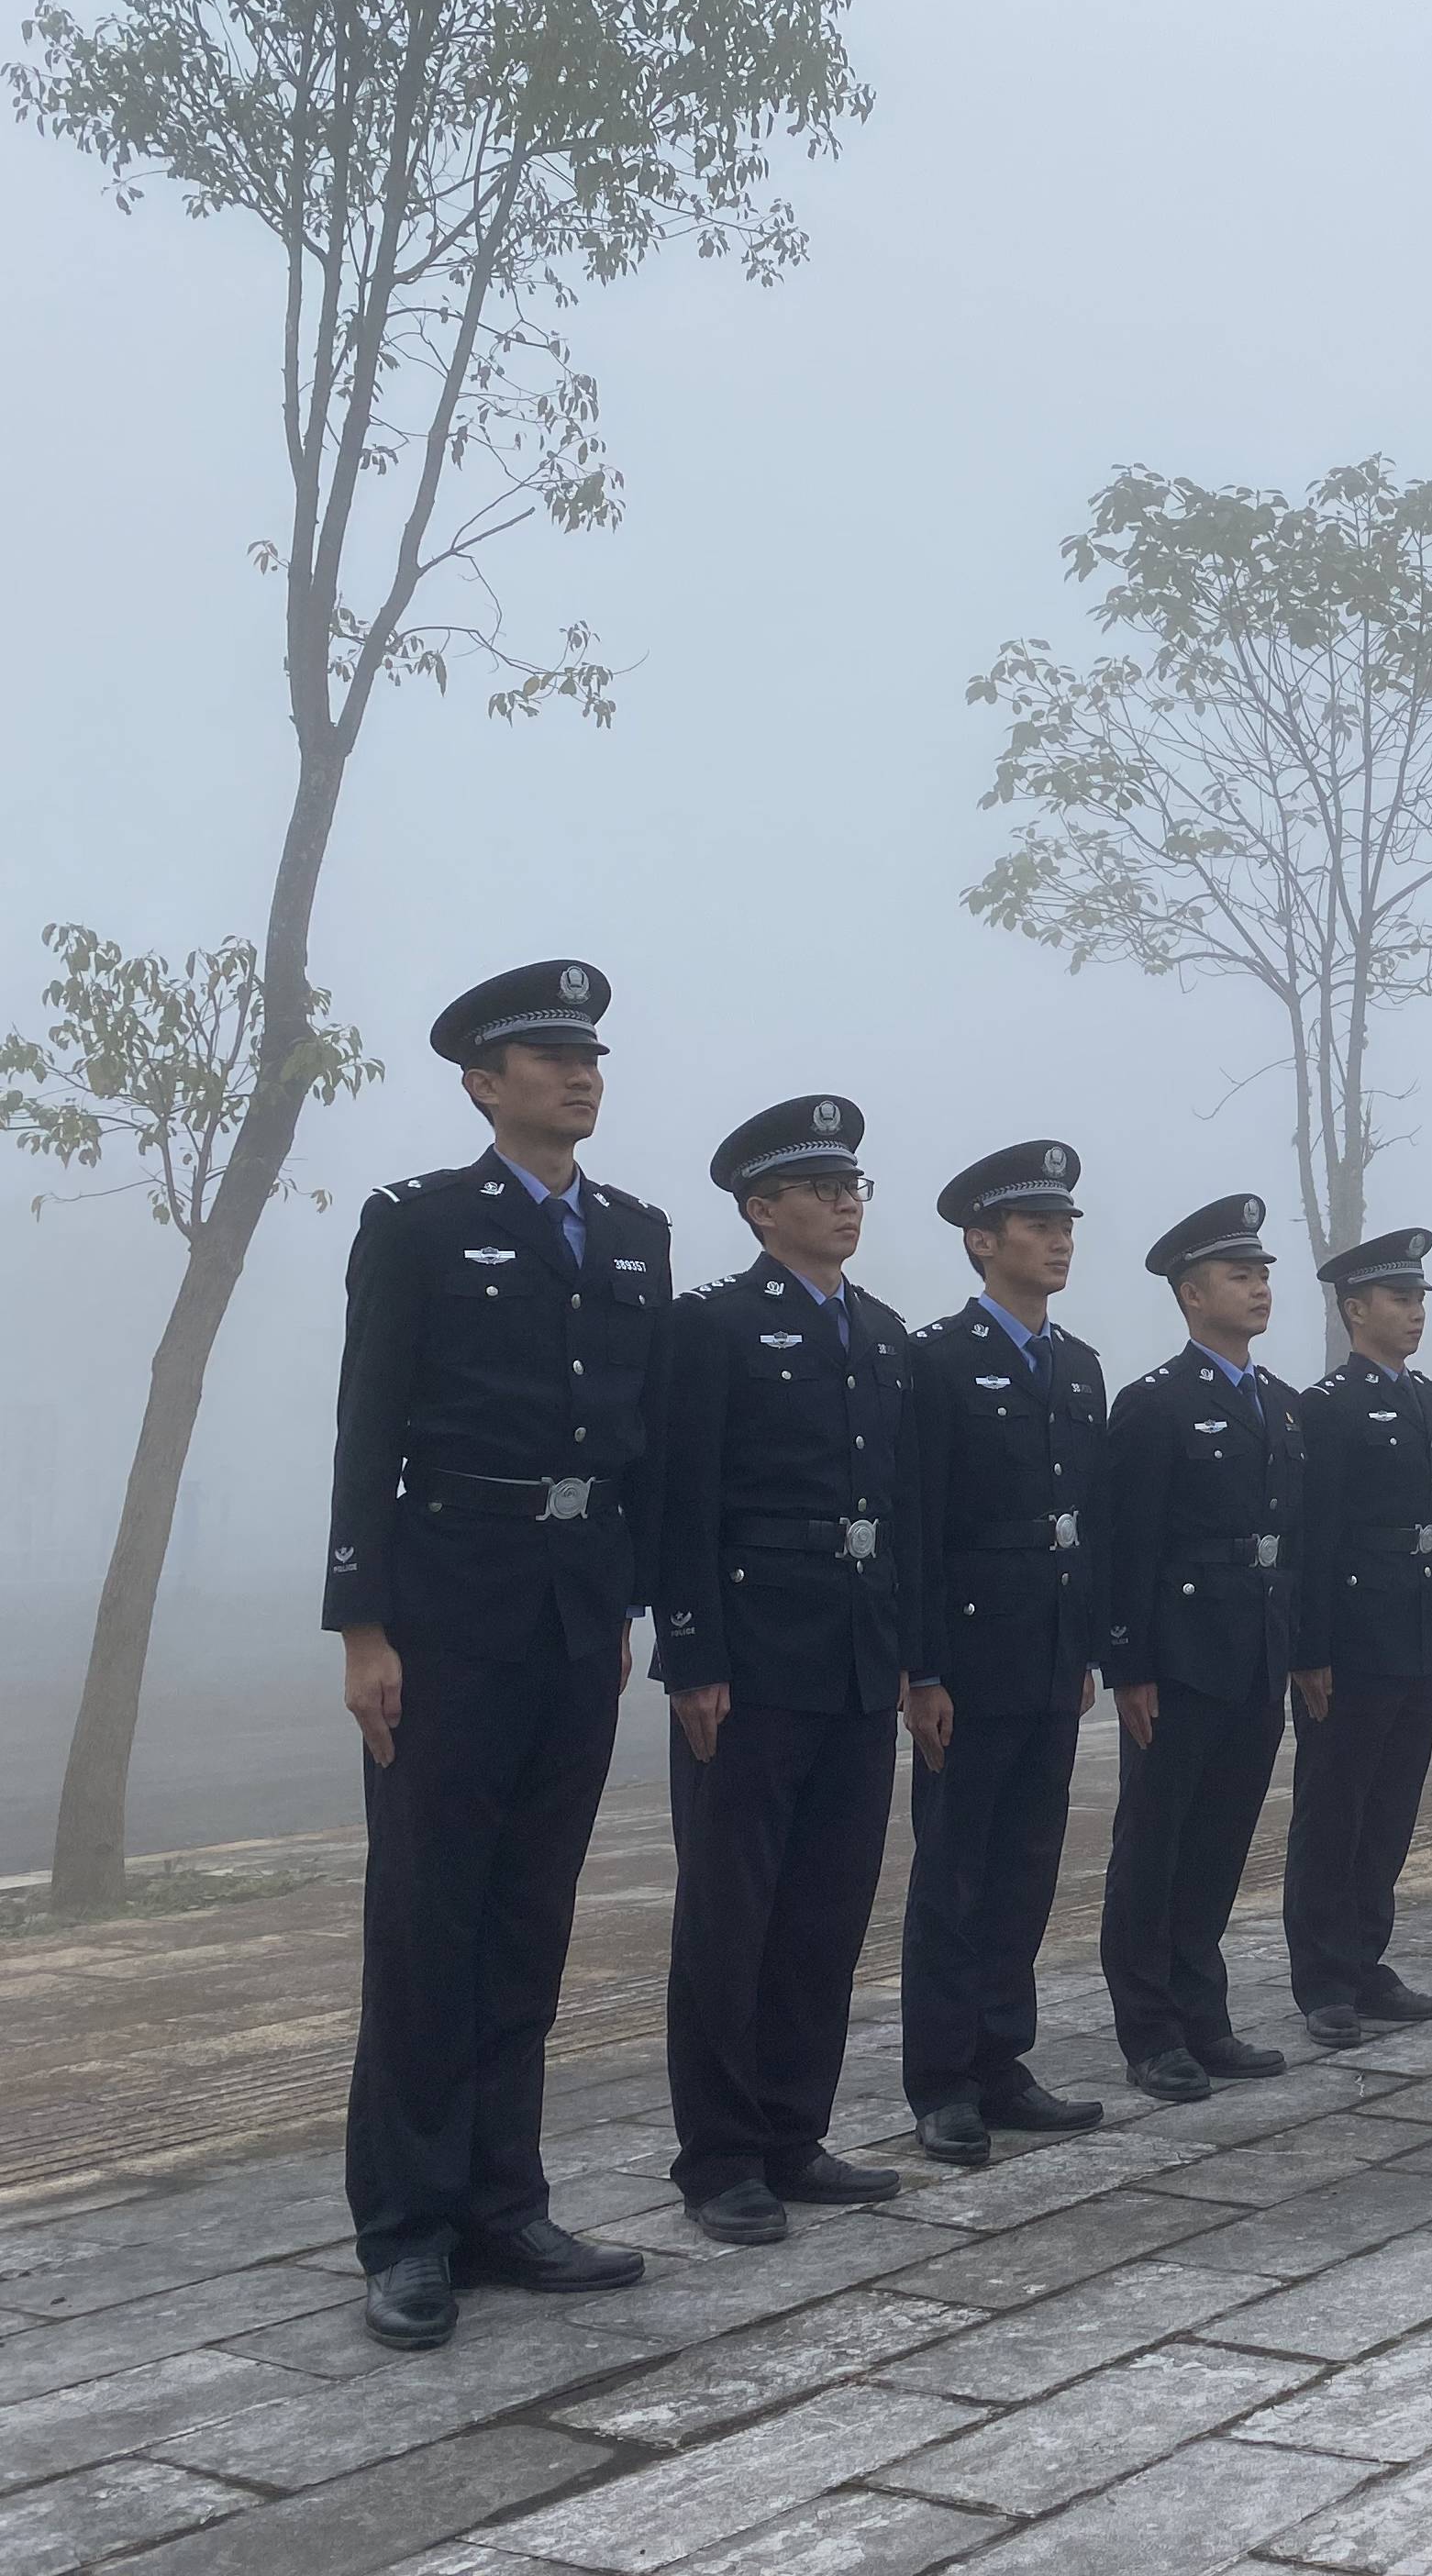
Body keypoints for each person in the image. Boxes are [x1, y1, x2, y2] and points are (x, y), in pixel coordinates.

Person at [327, 959, 665, 2350]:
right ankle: (407, 2230)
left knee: (530, 1915)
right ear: (484, 1081)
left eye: (588, 1054)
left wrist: (638, 1601)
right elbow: (369, 1422)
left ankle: (504, 2203)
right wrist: (362, 1623)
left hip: (578, 1609)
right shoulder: (418, 1221)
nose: (578, 1074)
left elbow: (640, 1428)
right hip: (449, 1601)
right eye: (545, 1056)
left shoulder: (636, 1232)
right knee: (426, 1918)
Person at [650, 1097, 916, 2245]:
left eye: (854, 1185)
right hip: (752, 1657)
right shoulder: (710, 1328)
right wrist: (692, 1654)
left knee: (827, 1904)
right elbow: (680, 1500)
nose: (845, 1202)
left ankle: (794, 2132)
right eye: (818, 1188)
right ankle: (719, 2158)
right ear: (762, 1211)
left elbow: (900, 1508)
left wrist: (910, 1655)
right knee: (731, 1909)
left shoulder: (884, 1333)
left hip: (856, 1653)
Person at [903, 1140, 1107, 2164]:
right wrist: (924, 1668)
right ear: (982, 1243)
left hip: (1049, 1652)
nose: (1059, 1240)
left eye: (1066, 1224)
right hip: (969, 1658)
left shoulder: (1078, 1366)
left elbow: (1086, 1522)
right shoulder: (934, 1361)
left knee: (1027, 1863)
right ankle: (941, 2079)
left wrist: (1085, 1649)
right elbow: (923, 1527)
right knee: (954, 1870)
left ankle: (1001, 2060)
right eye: (1036, 1226)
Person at [1098, 1193, 1306, 2100]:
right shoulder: (1154, 1406)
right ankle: (1150, 2032)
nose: (1258, 1288)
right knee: (1156, 1845)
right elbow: (1127, 1546)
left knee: (1221, 1844)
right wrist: (1130, 1666)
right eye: (1238, 1275)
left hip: (1254, 1652)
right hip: (1180, 1658)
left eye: (1262, 1274)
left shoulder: (1282, 1407)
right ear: (1191, 1294)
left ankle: (1204, 2016)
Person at [1283, 1229, 1432, 2049]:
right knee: (1336, 1807)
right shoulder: (1324, 1409)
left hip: (1415, 1626)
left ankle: (1366, 1960)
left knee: (1391, 1807)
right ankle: (1322, 1978)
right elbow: (1312, 1537)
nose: (1415, 1312)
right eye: (1399, 1299)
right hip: (1353, 1636)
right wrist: (1309, 1649)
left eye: (1421, 1298)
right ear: (1355, 1310)